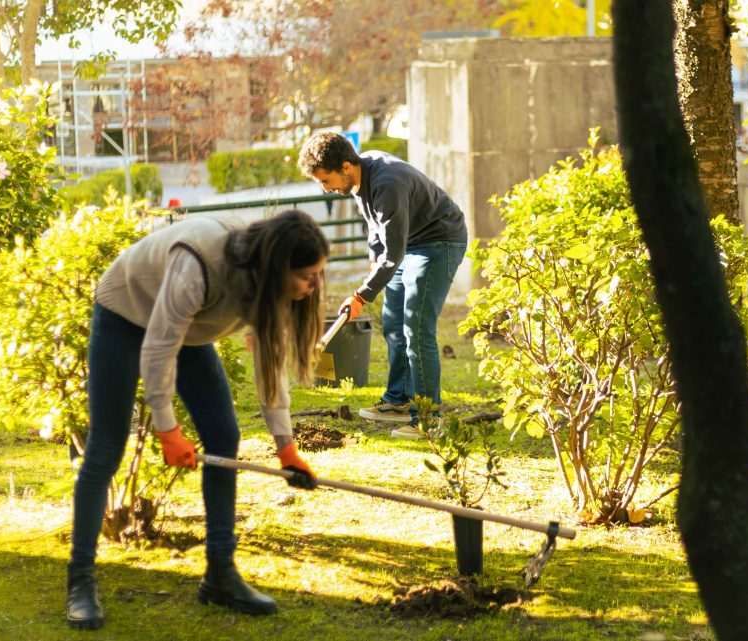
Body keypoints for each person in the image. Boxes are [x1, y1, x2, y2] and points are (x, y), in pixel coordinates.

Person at [66, 209, 327, 630]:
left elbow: (270, 365)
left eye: (319, 273)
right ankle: (80, 582)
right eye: (307, 276)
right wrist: (168, 429)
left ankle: (220, 575)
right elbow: (157, 346)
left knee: (223, 436)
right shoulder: (199, 261)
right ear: (278, 267)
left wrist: (287, 448)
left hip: (185, 328)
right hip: (125, 313)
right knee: (106, 448)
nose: (316, 285)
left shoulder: (269, 286)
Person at [297, 132, 467, 439]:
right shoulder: (360, 179)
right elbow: (377, 234)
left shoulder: (387, 184)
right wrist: (372, 271)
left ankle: (429, 419)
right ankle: (399, 399)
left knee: (416, 328)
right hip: (407, 244)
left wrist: (362, 294)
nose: (326, 189)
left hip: (438, 241)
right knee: (392, 322)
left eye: (325, 180)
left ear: (346, 166)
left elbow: (394, 253)